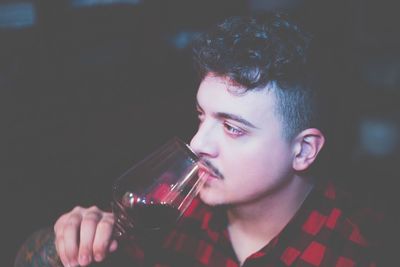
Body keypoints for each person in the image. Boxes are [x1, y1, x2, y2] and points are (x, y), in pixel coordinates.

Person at [15, 12, 385, 267]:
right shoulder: (172, 207)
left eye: (233, 128)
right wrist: (68, 239)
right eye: (201, 116)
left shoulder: (360, 249)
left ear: (303, 150)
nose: (197, 144)